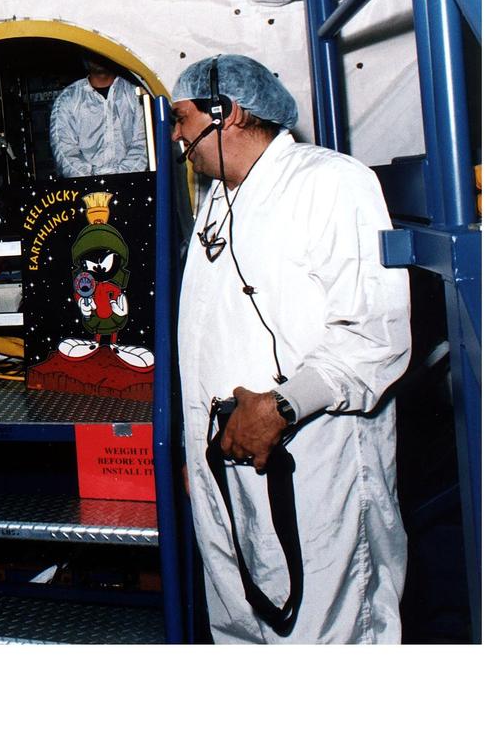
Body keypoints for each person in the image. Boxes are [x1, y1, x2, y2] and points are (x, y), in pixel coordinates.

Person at [170, 54, 411, 643]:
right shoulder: (219, 201)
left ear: (226, 113)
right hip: (227, 467)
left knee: (327, 637)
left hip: (312, 467)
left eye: (182, 118)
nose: (177, 136)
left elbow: (375, 334)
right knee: (243, 630)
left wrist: (282, 406)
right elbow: (210, 333)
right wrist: (193, 446)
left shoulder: (331, 183)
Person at [48, 56, 149, 177]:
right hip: (85, 187)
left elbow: (143, 143)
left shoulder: (135, 93)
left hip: (131, 182)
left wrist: (122, 176)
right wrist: (91, 179)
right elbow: (64, 149)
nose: (98, 56)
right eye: (92, 52)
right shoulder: (68, 98)